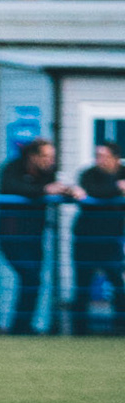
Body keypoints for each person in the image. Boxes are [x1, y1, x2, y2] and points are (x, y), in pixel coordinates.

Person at [0, 138, 78, 335]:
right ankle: (19, 327)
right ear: (33, 156)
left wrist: (70, 191)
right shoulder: (12, 168)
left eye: (52, 157)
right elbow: (12, 187)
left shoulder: (48, 173)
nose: (50, 160)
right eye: (45, 156)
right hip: (11, 234)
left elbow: (59, 188)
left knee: (34, 280)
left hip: (35, 235)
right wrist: (43, 191)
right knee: (29, 275)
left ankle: (22, 326)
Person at [70, 141, 124, 336]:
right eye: (97, 156)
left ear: (115, 158)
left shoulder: (123, 172)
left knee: (118, 284)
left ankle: (120, 328)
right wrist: (117, 188)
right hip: (86, 239)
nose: (99, 160)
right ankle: (79, 332)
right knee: (82, 285)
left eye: (104, 156)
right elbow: (92, 192)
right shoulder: (88, 174)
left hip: (111, 240)